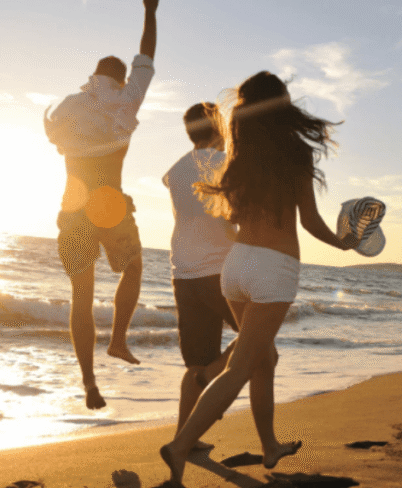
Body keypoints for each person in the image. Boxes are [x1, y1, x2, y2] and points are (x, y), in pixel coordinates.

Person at [160, 72, 377, 484]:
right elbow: (310, 221)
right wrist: (342, 243)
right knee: (239, 368)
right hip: (273, 268)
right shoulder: (295, 152)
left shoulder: (236, 155)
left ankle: (270, 447)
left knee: (262, 360)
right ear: (282, 105)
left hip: (235, 266)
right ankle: (180, 445)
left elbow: (232, 220)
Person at [42, 0, 160, 410]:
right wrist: (149, 10)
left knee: (81, 296)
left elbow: (53, 134)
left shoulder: (69, 105)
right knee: (133, 267)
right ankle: (118, 340)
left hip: (72, 208)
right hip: (109, 204)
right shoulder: (125, 100)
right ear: (121, 78)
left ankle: (89, 381)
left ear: (94, 74)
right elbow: (146, 56)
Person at [163, 102, 239, 450]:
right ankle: (211, 376)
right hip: (219, 272)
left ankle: (184, 437)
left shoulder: (175, 170)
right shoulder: (225, 165)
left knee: (195, 360)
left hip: (184, 275)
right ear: (216, 128)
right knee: (258, 337)